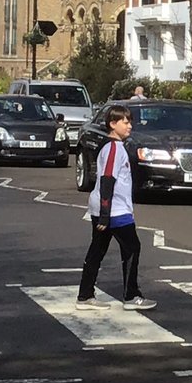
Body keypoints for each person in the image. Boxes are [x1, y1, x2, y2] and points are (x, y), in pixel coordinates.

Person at [77, 104, 156, 311]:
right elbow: (107, 180)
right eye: (126, 122)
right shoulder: (114, 148)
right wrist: (105, 215)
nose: (130, 125)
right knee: (132, 247)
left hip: (109, 208)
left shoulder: (112, 146)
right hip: (114, 210)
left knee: (98, 249)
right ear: (113, 124)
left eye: (130, 121)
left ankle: (85, 296)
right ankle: (131, 296)